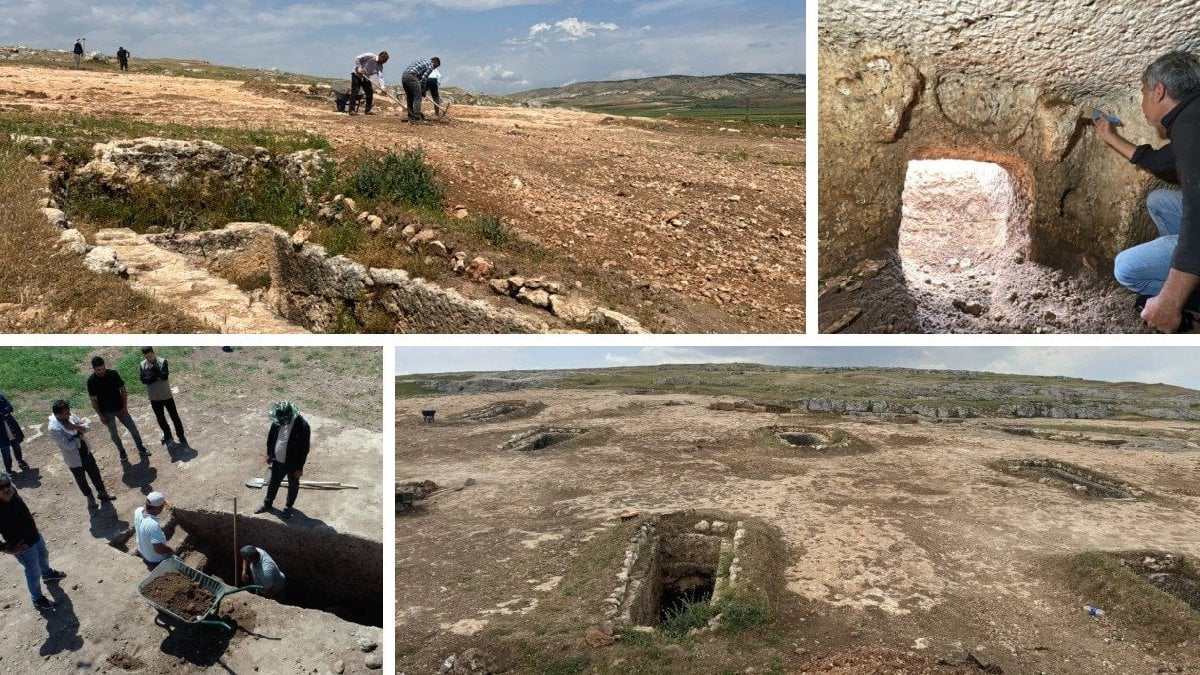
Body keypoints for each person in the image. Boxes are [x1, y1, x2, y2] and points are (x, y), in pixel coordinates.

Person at [1095, 51, 1200, 333]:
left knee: (1126, 268)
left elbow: (1197, 220)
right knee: (1159, 201)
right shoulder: (1191, 118)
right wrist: (1110, 137)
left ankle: (1188, 297)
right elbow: (1159, 161)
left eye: (1143, 92)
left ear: (1158, 91)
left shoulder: (1192, 131)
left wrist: (1170, 301)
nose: (1142, 102)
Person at [0, 472, 66, 610]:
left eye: (7, 484)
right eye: (1, 487)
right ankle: (37, 598)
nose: (6, 488)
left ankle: (47, 574)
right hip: (22, 546)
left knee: (43, 555)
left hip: (34, 535)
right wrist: (8, 548)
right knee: (33, 571)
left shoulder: (13, 492)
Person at [48, 400, 115, 508]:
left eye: (69, 411)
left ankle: (102, 493)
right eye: (66, 413)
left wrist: (75, 428)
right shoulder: (53, 429)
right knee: (81, 479)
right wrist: (79, 433)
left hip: (85, 452)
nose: (69, 414)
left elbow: (87, 427)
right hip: (73, 459)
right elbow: (68, 446)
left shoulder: (71, 417)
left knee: (95, 473)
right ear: (58, 415)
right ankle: (90, 498)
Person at [87, 356, 150, 461]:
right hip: (106, 412)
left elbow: (123, 390)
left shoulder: (113, 374)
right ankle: (122, 451)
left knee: (133, 429)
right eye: (99, 370)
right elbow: (93, 400)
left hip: (121, 409)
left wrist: (125, 407)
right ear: (94, 369)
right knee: (114, 434)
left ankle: (141, 448)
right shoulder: (91, 381)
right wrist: (100, 416)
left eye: (103, 368)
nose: (102, 371)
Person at [255, 401, 310, 520]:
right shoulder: (278, 421)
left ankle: (288, 507)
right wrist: (270, 453)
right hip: (278, 461)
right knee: (273, 482)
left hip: (293, 464)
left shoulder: (303, 427)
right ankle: (267, 504)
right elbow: (271, 437)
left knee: (293, 485)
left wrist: (299, 467)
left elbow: (304, 449)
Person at [139, 347, 187, 446]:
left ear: (153, 353)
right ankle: (167, 434)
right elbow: (144, 380)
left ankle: (180, 435)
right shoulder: (142, 364)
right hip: (154, 397)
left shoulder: (163, 361)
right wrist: (156, 376)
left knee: (174, 416)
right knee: (160, 418)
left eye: (150, 356)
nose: (149, 358)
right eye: (146, 357)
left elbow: (164, 377)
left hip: (166, 395)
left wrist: (152, 370)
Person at [133, 492, 174, 570]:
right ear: (157, 508)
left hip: (142, 549)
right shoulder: (153, 525)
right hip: (154, 559)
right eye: (162, 507)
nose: (163, 509)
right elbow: (158, 549)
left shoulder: (138, 510)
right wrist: (170, 550)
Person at [402, 56, 440, 122]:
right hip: (411, 77)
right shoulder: (430, 65)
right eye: (436, 66)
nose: (434, 68)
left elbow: (419, 77)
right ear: (435, 62)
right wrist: (423, 89)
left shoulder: (423, 61)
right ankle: (416, 117)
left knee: (410, 97)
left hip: (404, 77)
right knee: (418, 97)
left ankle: (411, 116)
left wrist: (419, 87)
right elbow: (424, 78)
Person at [351, 51, 388, 115]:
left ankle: (367, 111)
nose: (385, 62)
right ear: (380, 57)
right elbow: (357, 58)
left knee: (369, 92)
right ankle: (352, 110)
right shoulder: (370, 56)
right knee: (355, 91)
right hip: (356, 74)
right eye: (384, 60)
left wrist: (382, 87)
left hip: (366, 77)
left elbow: (380, 77)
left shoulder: (380, 66)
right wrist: (359, 67)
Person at [0, 393, 29, 473]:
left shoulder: (1, 396)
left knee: (16, 446)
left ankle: (20, 460)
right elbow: (6, 410)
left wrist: (1, 413)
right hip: (1, 433)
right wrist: (4, 413)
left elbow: (10, 408)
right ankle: (8, 469)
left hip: (10, 426)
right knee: (6, 452)